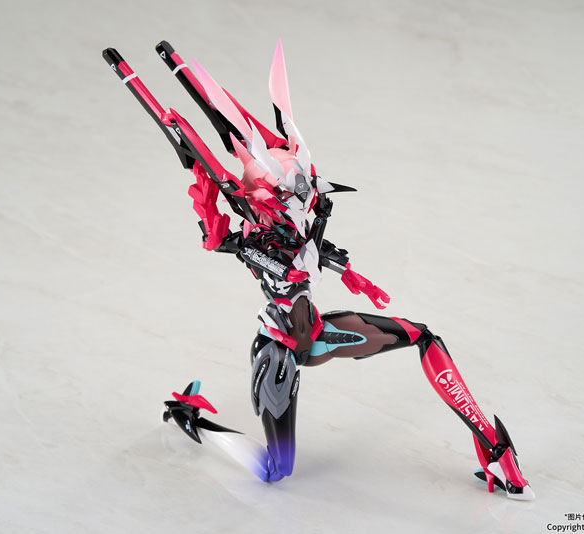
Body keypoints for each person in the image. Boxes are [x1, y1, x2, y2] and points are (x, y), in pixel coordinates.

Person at [103, 39, 534, 500]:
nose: (306, 196)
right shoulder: (255, 238)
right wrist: (207, 189)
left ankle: (494, 450)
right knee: (276, 469)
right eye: (294, 190)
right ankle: (192, 418)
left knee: (422, 336)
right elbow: (233, 245)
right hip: (280, 352)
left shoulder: (296, 226)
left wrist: (350, 274)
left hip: (319, 335)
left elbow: (311, 249)